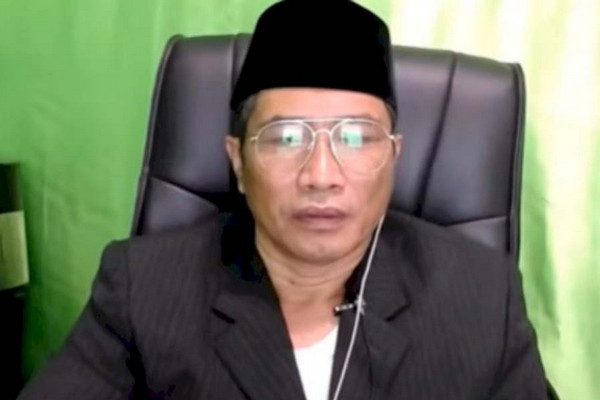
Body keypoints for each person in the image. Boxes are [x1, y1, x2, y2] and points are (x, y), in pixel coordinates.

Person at [19, 1, 552, 399]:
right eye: (286, 138)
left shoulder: (482, 296)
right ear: (238, 161)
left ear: (393, 156)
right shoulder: (143, 287)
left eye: (354, 137)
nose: (321, 176)